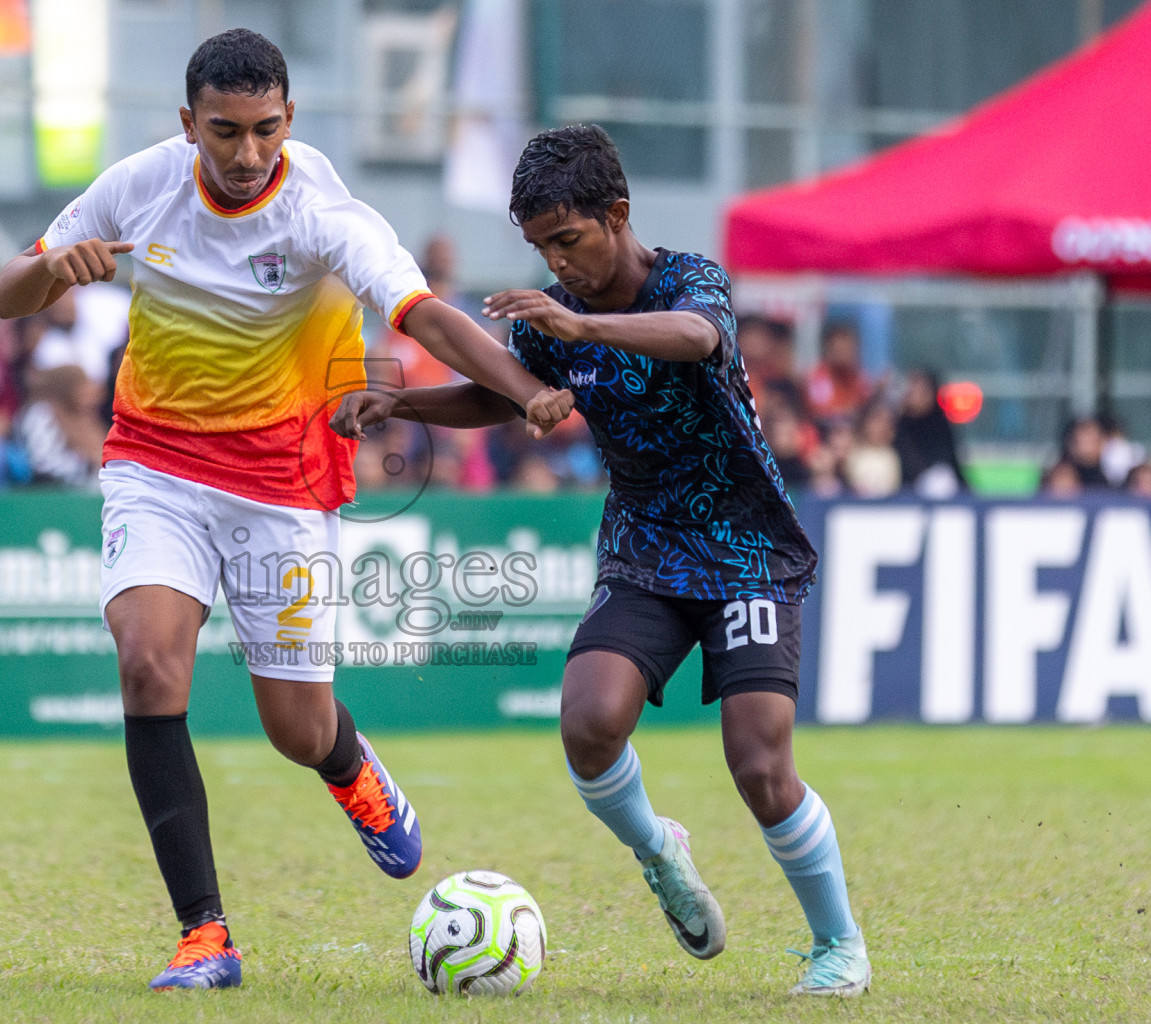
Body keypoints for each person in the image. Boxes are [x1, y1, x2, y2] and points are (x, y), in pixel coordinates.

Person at [0, 28, 572, 992]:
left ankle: (350, 768)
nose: (247, 152)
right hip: (156, 462)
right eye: (224, 131)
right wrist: (55, 267)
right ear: (189, 125)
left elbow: (420, 314)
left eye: (265, 130)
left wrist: (525, 390)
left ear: (289, 120)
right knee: (147, 662)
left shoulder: (321, 211)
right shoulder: (139, 184)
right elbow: (9, 291)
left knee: (294, 727)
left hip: (281, 483)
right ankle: (204, 936)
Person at [333, 124, 871, 997]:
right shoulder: (553, 320)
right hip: (646, 550)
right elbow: (500, 394)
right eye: (540, 246)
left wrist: (581, 323)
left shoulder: (689, 280)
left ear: (616, 214)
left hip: (743, 548)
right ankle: (660, 852)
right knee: (587, 724)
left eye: (567, 240)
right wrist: (401, 400)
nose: (557, 261)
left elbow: (695, 338)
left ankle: (838, 944)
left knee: (759, 764)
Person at [893, 367, 966, 498]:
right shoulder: (897, 426)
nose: (914, 395)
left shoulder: (940, 427)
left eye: (921, 391)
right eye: (911, 390)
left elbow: (953, 466)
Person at [805, 322, 874, 424]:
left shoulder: (858, 376)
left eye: (850, 349)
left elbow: (867, 403)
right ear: (829, 350)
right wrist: (851, 410)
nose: (846, 354)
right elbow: (822, 415)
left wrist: (876, 394)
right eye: (840, 349)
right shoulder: (818, 377)